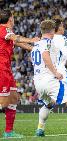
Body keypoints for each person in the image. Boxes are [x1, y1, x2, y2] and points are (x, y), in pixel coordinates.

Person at [0, 9, 39, 138]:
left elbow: (18, 42)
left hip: (7, 70)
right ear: (10, 18)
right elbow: (15, 38)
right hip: (1, 70)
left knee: (14, 98)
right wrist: (31, 39)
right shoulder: (3, 29)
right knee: (4, 102)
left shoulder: (8, 33)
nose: (14, 19)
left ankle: (9, 132)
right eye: (13, 17)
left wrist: (37, 49)